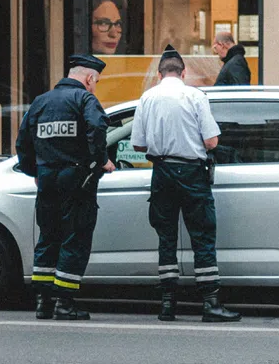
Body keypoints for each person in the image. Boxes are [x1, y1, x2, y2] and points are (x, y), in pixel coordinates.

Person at [131, 45, 241, 323]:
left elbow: (138, 143)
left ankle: (167, 304)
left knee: (166, 237)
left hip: (162, 173)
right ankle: (210, 303)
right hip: (192, 173)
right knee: (202, 236)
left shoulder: (147, 98)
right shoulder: (195, 96)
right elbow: (211, 141)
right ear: (183, 72)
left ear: (159, 74)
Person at [15, 54, 115, 321]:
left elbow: (23, 141)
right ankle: (65, 302)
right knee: (75, 238)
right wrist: (101, 159)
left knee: (48, 238)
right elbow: (97, 126)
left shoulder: (40, 102)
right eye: (95, 81)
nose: (94, 86)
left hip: (47, 179)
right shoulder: (84, 99)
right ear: (89, 78)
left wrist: (34, 171)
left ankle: (43, 302)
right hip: (76, 180)